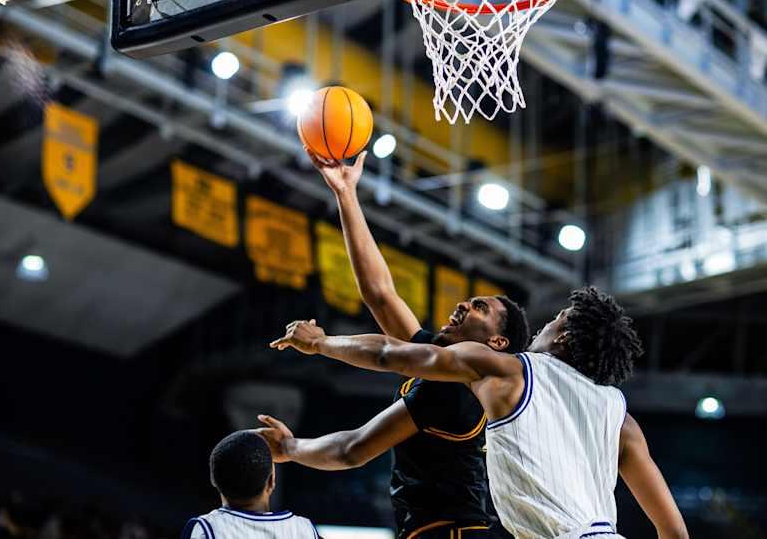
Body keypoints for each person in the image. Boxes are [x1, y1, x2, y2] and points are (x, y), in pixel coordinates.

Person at [270, 287, 689, 539]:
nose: (542, 325)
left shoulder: (508, 370)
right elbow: (673, 531)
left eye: (554, 320)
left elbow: (388, 353)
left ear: (564, 337)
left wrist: (320, 343)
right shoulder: (621, 419)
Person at [257, 150, 529, 539]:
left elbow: (353, 449)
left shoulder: (454, 387)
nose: (463, 305)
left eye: (479, 308)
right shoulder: (445, 365)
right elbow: (381, 295)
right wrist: (346, 194)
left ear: (497, 342)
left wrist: (290, 447)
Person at [182, 431, 320, 539]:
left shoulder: (207, 528)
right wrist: (292, 446)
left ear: (213, 480)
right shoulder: (305, 529)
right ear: (271, 481)